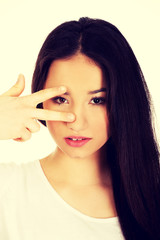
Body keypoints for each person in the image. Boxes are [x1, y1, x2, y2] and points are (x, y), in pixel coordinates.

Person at [0, 17, 159, 240]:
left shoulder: (152, 195)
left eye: (97, 101)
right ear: (40, 97)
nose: (76, 122)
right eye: (60, 99)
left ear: (124, 102)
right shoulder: (7, 189)